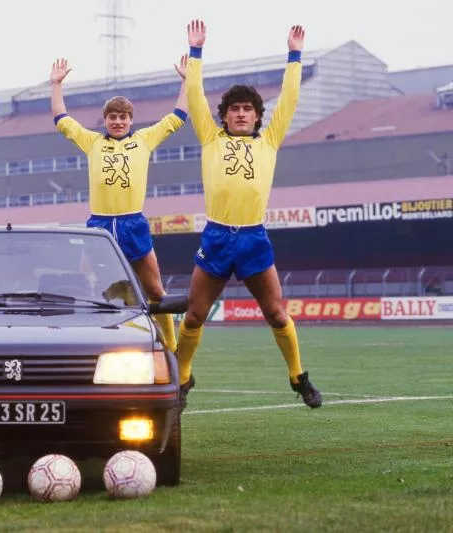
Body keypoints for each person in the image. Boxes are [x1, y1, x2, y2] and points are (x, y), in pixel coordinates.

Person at [176, 19, 322, 409]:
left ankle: (298, 377)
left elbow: (289, 98)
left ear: (258, 116)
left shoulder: (270, 141)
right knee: (193, 316)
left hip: (254, 238)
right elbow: (194, 96)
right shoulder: (210, 136)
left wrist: (294, 56)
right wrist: (196, 52)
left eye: (248, 109)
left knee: (276, 313)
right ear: (224, 116)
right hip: (218, 236)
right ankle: (183, 379)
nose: (241, 114)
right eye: (235, 109)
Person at [49, 54, 191, 353]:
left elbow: (177, 117)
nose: (117, 121)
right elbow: (62, 121)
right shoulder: (92, 142)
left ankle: (171, 348)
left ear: (130, 120)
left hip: (133, 223)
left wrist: (187, 81)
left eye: (123, 117)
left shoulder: (144, 139)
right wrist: (56, 85)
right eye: (112, 117)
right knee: (91, 289)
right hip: (99, 226)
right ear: (106, 120)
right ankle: (91, 345)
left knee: (155, 290)